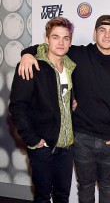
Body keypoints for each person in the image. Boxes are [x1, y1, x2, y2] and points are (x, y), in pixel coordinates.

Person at [17, 15, 110, 203]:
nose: (106, 36)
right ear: (94, 33)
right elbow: (50, 47)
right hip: (81, 137)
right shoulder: (79, 54)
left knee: (107, 185)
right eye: (102, 31)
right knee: (85, 186)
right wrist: (26, 54)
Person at [9, 17, 76, 203]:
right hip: (43, 146)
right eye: (55, 37)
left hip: (66, 145)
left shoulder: (71, 66)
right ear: (46, 40)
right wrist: (33, 139)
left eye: (65, 38)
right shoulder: (31, 65)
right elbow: (17, 106)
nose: (61, 42)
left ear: (70, 41)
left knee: (63, 196)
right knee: (42, 197)